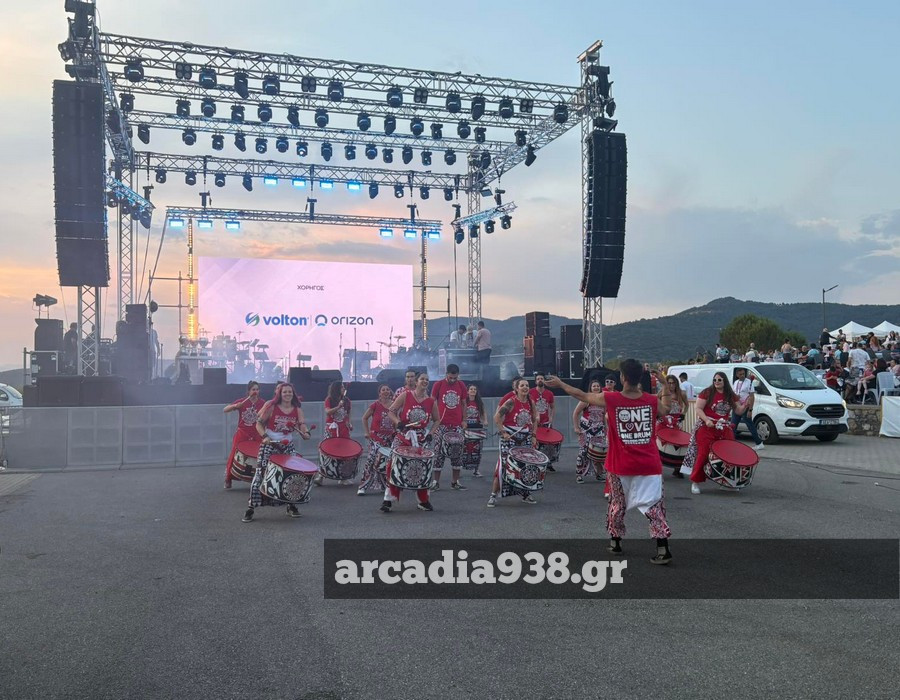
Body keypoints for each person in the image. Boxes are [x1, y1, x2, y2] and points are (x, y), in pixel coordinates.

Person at [546, 360, 674, 565]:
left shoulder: (612, 398)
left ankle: (615, 542)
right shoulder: (651, 400)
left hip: (620, 464)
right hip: (649, 464)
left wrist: (561, 384)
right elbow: (667, 409)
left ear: (622, 378)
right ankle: (662, 548)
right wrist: (665, 384)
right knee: (654, 506)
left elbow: (582, 395)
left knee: (617, 504)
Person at [242, 383, 311, 522]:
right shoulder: (271, 406)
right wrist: (265, 436)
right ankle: (251, 507)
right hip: (270, 444)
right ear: (280, 393)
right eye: (285, 392)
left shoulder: (297, 409)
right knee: (261, 474)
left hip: (287, 446)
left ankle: (291, 506)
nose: (287, 394)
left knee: (291, 475)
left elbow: (302, 425)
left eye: (290, 392)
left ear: (293, 394)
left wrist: (306, 433)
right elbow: (259, 423)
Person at [681, 371, 747, 495]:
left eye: (719, 380)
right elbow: (698, 408)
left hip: (724, 428)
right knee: (703, 453)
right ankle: (695, 481)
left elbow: (738, 411)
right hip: (707, 427)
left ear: (724, 381)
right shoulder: (707, 392)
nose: (717, 382)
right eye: (715, 380)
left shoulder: (730, 394)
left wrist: (746, 404)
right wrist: (706, 420)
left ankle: (726, 481)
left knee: (729, 454)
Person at [381, 372, 435, 513]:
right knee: (393, 465)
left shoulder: (431, 401)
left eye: (427, 379)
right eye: (422, 379)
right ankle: (388, 500)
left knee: (422, 468)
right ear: (416, 382)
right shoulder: (405, 395)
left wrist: (430, 433)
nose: (425, 381)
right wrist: (398, 422)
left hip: (420, 439)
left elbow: (437, 420)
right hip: (403, 436)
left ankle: (423, 501)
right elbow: (390, 411)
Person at [487, 378, 539, 507]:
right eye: (522, 385)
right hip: (510, 438)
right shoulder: (511, 402)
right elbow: (496, 417)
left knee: (525, 466)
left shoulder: (531, 402)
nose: (525, 387)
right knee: (504, 466)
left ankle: (525, 493)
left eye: (527, 385)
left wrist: (533, 435)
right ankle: (493, 495)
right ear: (516, 388)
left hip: (525, 438)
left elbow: (535, 419)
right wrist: (503, 432)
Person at [430, 364, 468, 490]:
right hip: (441, 424)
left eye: (455, 378)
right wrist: (433, 418)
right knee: (438, 453)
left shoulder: (461, 385)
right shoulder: (438, 384)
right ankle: (435, 482)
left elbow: (464, 403)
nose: (452, 380)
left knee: (457, 453)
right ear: (446, 374)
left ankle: (455, 482)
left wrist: (464, 420)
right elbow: (432, 402)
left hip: (456, 425)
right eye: (450, 377)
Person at [223, 380, 265, 489]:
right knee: (234, 453)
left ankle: (258, 479)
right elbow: (225, 409)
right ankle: (228, 478)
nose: (255, 391)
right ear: (248, 391)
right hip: (243, 432)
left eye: (257, 389)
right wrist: (235, 406)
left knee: (260, 455)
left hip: (257, 433)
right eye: (253, 389)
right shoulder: (242, 401)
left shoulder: (262, 403)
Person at [358, 384, 395, 496]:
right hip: (376, 438)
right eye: (383, 390)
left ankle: (385, 485)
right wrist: (367, 432)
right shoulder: (375, 405)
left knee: (386, 462)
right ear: (379, 393)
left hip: (390, 438)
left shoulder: (395, 405)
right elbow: (364, 418)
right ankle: (363, 486)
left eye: (387, 389)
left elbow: (397, 419)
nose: (386, 391)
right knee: (371, 460)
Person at [573, 379, 607, 484]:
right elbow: (576, 413)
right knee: (583, 451)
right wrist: (576, 427)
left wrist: (606, 429)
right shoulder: (586, 399)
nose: (596, 388)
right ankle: (579, 474)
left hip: (599, 430)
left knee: (599, 453)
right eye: (594, 386)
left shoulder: (603, 400)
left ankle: (599, 474)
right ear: (590, 388)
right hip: (586, 430)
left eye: (597, 386)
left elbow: (604, 416)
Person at [731, 367, 764, 451]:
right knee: (733, 425)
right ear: (737, 375)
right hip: (737, 406)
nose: (742, 375)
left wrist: (750, 410)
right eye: (740, 374)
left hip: (745, 406)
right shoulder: (735, 382)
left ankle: (759, 443)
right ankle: (731, 442)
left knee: (750, 425)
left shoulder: (749, 382)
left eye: (743, 374)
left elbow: (752, 396)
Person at [463, 384, 487, 477]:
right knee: (464, 449)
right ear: (467, 391)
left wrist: (485, 420)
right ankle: (458, 469)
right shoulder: (464, 401)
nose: (473, 390)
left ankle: (476, 470)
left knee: (477, 449)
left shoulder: (479, 402)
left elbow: (483, 412)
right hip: (466, 427)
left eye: (475, 389)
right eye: (471, 389)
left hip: (476, 427)